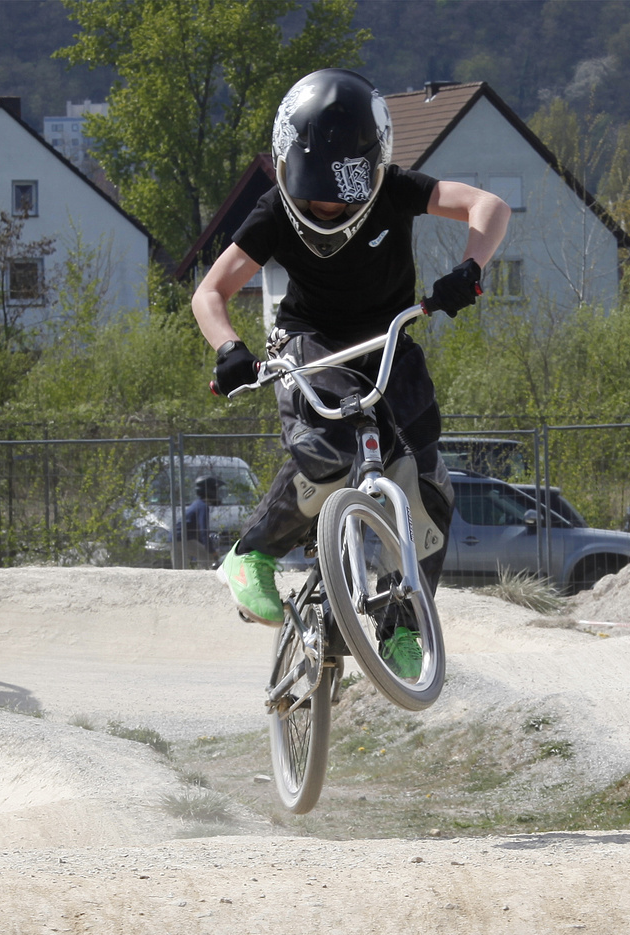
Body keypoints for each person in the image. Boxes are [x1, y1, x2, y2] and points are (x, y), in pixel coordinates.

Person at [194, 67, 508, 676]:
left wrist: (471, 269)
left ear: (370, 173)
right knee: (331, 448)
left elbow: (486, 206)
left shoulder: (393, 188)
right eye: (314, 195)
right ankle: (251, 554)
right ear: (288, 173)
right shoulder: (274, 213)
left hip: (388, 341)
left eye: (341, 195)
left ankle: (399, 626)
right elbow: (211, 291)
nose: (328, 207)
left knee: (433, 492)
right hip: (312, 344)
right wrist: (228, 347)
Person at [181, 473, 224, 566]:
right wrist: (212, 551)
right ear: (209, 491)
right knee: (208, 557)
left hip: (174, 538)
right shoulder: (202, 507)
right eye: (215, 490)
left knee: (177, 569)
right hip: (182, 539)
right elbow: (204, 532)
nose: (216, 494)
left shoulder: (198, 504)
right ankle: (206, 577)